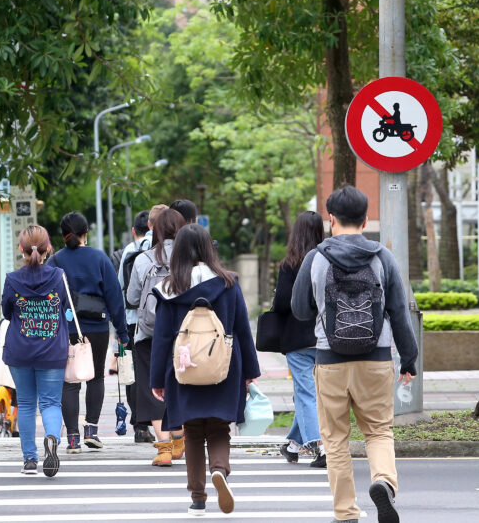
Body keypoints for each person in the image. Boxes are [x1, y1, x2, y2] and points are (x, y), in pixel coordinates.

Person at [291, 186, 418, 523]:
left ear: (331, 219)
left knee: (335, 440)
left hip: (329, 360)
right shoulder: (382, 257)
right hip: (375, 358)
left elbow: (299, 309)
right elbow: (399, 312)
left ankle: (346, 511)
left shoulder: (315, 257)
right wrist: (409, 359)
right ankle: (383, 482)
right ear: (364, 219)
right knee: (378, 431)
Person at [150, 224, 260, 516]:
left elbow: (161, 339)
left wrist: (158, 379)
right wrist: (250, 370)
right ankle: (220, 470)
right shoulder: (228, 283)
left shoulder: (170, 289)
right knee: (219, 427)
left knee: (193, 431)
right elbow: (242, 330)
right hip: (224, 368)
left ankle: (198, 498)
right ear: (210, 248)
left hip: (184, 371)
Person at [48, 211, 129, 452]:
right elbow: (114, 296)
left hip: (68, 327)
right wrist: (122, 332)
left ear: (63, 236)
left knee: (70, 381)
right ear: (86, 233)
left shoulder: (56, 261)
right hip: (97, 327)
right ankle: (91, 430)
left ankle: (72, 437)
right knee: (96, 378)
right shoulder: (100, 258)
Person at [1, 225, 70, 477]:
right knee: (51, 402)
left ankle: (30, 459)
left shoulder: (12, 279)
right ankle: (52, 438)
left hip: (20, 350)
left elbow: (7, 312)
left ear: (21, 249)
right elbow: (63, 306)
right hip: (52, 350)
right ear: (48, 248)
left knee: (27, 403)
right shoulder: (59, 276)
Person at [126, 209, 186, 466]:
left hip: (150, 331)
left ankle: (163, 449)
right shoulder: (192, 259)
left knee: (152, 388)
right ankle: (180, 435)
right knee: (182, 383)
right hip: (185, 332)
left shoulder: (143, 259)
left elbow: (131, 298)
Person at [273, 212, 326, 468]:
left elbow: (282, 303)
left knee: (305, 394)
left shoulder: (290, 264)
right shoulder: (328, 260)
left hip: (297, 339)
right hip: (325, 338)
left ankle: (320, 447)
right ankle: (292, 445)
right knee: (310, 394)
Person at [114, 209, 152, 443]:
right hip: (154, 320)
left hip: (130, 321)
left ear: (133, 230)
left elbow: (120, 287)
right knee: (153, 370)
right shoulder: (159, 249)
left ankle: (139, 425)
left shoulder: (129, 250)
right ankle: (161, 422)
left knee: (132, 373)